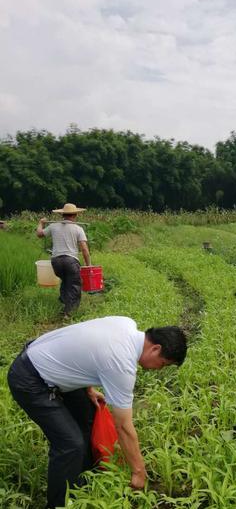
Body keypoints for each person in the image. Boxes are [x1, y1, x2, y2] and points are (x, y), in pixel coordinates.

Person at [7, 316, 187, 509]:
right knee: (70, 444)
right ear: (155, 349)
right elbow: (124, 427)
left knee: (88, 417)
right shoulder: (122, 364)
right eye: (164, 364)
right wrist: (138, 471)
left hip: (45, 357)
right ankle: (58, 504)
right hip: (30, 379)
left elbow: (87, 349)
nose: (160, 370)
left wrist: (88, 387)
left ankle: (82, 480)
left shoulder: (126, 324)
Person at [36, 203, 91, 317]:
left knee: (66, 281)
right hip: (71, 261)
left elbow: (39, 234)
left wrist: (40, 223)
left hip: (56, 262)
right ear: (75, 215)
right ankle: (69, 313)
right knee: (75, 285)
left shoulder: (53, 226)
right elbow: (85, 249)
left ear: (62, 214)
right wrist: (88, 265)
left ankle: (64, 301)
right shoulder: (78, 229)